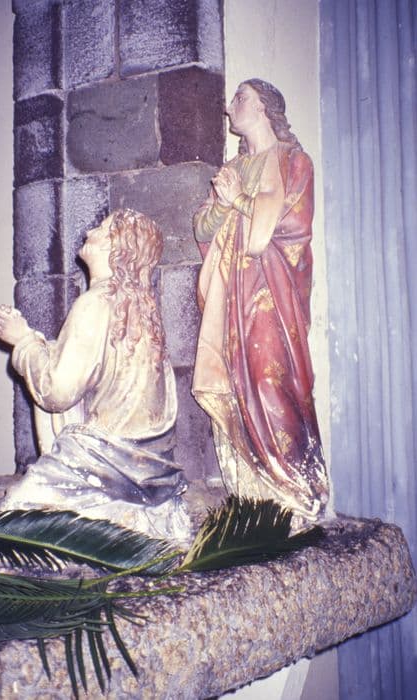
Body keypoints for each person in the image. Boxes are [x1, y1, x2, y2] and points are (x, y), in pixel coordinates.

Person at [0, 209, 190, 543]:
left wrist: (23, 340)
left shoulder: (94, 304)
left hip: (108, 463)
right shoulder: (145, 311)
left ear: (118, 248)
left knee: (18, 517)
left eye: (102, 228)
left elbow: (57, 392)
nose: (89, 233)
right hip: (153, 470)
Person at [192, 79, 330, 527]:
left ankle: (295, 490)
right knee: (236, 382)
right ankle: (251, 492)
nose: (230, 106)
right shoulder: (233, 167)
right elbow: (203, 228)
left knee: (271, 379)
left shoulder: (294, 161)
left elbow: (293, 225)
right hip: (232, 292)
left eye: (241, 98)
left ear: (266, 108)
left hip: (272, 292)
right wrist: (222, 203)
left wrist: (240, 200)